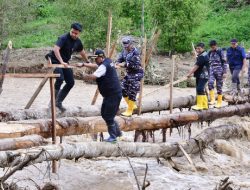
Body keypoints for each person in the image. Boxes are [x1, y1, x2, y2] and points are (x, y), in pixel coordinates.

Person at [77, 49, 122, 143]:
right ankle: (118, 133)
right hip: (110, 94)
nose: (95, 60)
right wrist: (84, 64)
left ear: (101, 57)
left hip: (112, 94)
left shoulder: (104, 66)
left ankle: (113, 137)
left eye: (96, 58)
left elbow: (94, 77)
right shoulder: (108, 61)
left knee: (108, 116)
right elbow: (96, 66)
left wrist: (83, 76)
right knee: (104, 114)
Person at [47, 23, 89, 112]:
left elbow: (82, 52)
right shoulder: (63, 38)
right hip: (55, 61)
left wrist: (87, 61)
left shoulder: (78, 42)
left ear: (79, 33)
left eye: (76, 33)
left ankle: (58, 102)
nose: (73, 34)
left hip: (65, 62)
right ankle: (52, 103)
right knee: (60, 78)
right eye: (72, 32)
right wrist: (61, 62)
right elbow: (56, 49)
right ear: (70, 30)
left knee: (71, 82)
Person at [116, 36, 144, 117]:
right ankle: (132, 105)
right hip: (129, 73)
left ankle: (129, 110)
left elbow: (134, 65)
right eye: (124, 46)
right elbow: (120, 59)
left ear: (131, 44)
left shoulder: (136, 53)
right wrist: (117, 63)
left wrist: (123, 65)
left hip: (137, 73)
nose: (126, 47)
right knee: (122, 89)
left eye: (127, 46)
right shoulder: (124, 51)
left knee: (132, 91)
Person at [187, 42, 210, 110]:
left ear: (203, 48)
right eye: (197, 48)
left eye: (199, 48)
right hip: (201, 75)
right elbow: (198, 62)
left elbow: (196, 66)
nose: (197, 50)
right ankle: (205, 105)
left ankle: (200, 105)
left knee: (200, 89)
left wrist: (189, 73)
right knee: (200, 89)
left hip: (203, 75)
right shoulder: (203, 55)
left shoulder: (203, 56)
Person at [208, 40, 227, 108]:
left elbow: (224, 62)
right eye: (211, 47)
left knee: (219, 86)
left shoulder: (220, 51)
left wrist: (225, 72)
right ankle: (213, 100)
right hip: (211, 70)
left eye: (213, 47)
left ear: (216, 45)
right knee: (210, 83)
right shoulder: (210, 52)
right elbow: (207, 61)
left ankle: (219, 102)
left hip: (219, 71)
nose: (212, 48)